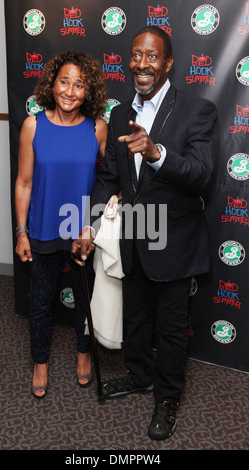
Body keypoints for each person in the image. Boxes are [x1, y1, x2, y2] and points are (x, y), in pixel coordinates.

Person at [72, 26, 218, 439]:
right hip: (133, 237)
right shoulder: (120, 114)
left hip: (174, 245)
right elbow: (107, 177)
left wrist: (157, 154)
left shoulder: (197, 110)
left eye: (152, 57)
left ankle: (167, 398)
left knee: (170, 329)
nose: (142, 64)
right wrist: (90, 223)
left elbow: (202, 175)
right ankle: (140, 376)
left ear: (168, 63)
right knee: (136, 318)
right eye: (136, 55)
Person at [15, 50, 108, 398]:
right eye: (64, 81)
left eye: (79, 85)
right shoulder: (33, 125)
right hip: (41, 230)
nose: (70, 91)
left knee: (86, 300)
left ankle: (84, 355)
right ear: (52, 84)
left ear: (89, 91)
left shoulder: (98, 128)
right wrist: (21, 230)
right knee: (41, 302)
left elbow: (107, 180)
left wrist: (93, 225)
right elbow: (24, 182)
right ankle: (40, 363)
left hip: (82, 231)